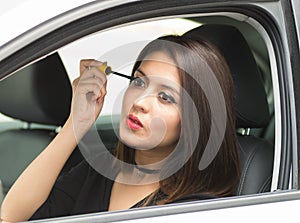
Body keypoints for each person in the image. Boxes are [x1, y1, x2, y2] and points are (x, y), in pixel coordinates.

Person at [0, 35, 240, 222]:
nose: (139, 102)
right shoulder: (101, 171)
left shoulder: (195, 210)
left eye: (165, 97)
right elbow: (12, 217)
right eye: (139, 82)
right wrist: (76, 123)